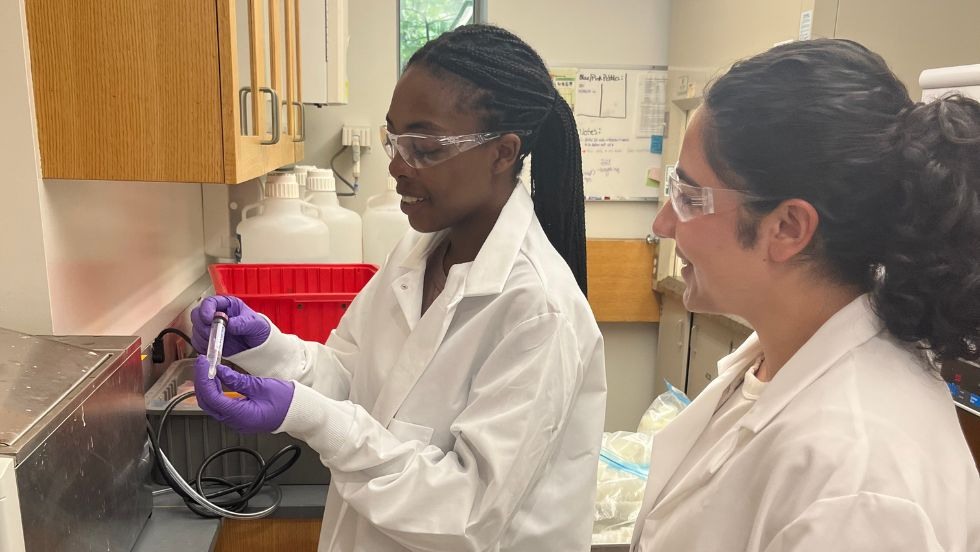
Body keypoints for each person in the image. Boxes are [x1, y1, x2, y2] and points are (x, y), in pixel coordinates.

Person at [190, 24, 606, 552]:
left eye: (424, 148)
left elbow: (465, 512)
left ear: (503, 153)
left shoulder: (539, 310)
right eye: (395, 139)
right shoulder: (416, 252)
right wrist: (266, 348)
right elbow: (348, 375)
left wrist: (308, 415)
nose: (396, 167)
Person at [632, 39, 980, 551]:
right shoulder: (776, 361)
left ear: (787, 227)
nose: (663, 223)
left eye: (687, 197)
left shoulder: (861, 483)